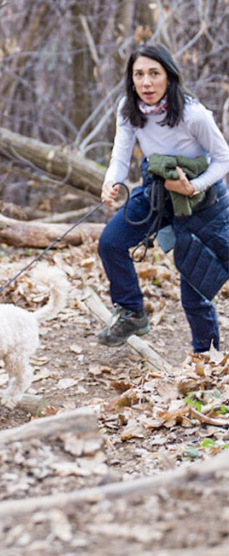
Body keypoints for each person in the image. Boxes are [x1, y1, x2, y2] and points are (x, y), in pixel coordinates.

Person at [97, 44, 229, 353]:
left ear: (169, 77)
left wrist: (193, 186)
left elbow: (223, 159)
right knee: (111, 243)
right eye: (138, 74)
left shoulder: (193, 114)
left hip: (203, 201)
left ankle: (205, 361)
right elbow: (121, 153)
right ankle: (131, 312)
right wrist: (110, 181)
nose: (146, 83)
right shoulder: (127, 108)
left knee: (195, 290)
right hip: (157, 190)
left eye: (154, 74)